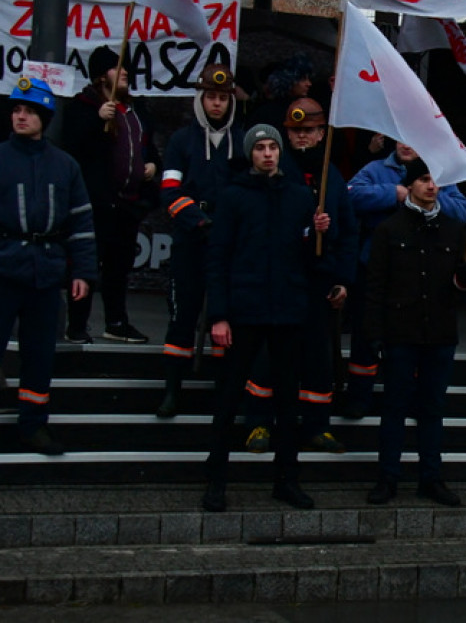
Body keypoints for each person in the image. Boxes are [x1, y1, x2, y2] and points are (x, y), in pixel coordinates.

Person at [201, 124, 332, 512]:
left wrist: (316, 235)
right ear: (251, 154)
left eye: (273, 146)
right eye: (260, 147)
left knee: (288, 403)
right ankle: (216, 480)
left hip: (289, 313)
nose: (268, 153)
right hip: (244, 313)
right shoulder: (234, 197)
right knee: (228, 400)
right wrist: (219, 316)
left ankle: (286, 480)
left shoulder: (298, 196)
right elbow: (218, 258)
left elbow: (309, 260)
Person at [243, 97, 358, 452]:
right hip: (280, 280)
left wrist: (342, 279)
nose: (302, 137)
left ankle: (317, 425)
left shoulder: (333, 177)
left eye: (309, 131)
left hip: (319, 282)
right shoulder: (276, 172)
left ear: (322, 134)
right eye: (295, 131)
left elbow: (349, 232)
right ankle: (259, 424)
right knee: (267, 355)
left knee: (318, 357)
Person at [365, 158, 466, 507]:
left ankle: (431, 476)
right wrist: (375, 334)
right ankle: (388, 476)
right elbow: (376, 286)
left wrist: (465, 279)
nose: (431, 186)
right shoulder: (389, 230)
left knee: (432, 408)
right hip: (401, 331)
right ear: (410, 184)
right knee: (395, 406)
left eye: (435, 180)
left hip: (439, 332)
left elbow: (458, 289)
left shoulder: (453, 229)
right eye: (424, 179)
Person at [0, 78, 97, 454]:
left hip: (46, 272)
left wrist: (84, 273)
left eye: (29, 111)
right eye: (17, 110)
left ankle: (33, 426)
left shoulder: (65, 165)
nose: (21, 116)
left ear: (44, 117)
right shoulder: (2, 157)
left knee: (40, 354)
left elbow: (81, 224)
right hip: (5, 268)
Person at [344, 141, 466, 418]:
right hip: (376, 269)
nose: (406, 145)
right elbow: (348, 195)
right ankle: (359, 397)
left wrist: (424, 194)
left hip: (421, 273)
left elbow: (461, 211)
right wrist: (393, 193)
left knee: (414, 339)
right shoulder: (376, 170)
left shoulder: (438, 174)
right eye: (401, 138)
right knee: (366, 336)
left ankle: (413, 399)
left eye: (414, 139)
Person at [156, 64, 246, 418]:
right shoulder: (181, 141)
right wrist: (198, 220)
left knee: (224, 319)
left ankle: (222, 393)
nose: (217, 104)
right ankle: (171, 391)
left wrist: (229, 225)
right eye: (211, 96)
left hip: (229, 244)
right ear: (201, 98)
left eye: (223, 98)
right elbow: (169, 190)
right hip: (191, 241)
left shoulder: (243, 140)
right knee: (183, 314)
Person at [62, 45, 160, 344]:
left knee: (119, 268)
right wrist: (96, 119)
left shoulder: (135, 110)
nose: (125, 73)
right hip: (96, 204)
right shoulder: (83, 106)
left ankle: (117, 322)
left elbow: (147, 146)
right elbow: (72, 148)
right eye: (117, 68)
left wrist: (154, 164)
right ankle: (77, 325)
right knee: (87, 266)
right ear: (100, 76)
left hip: (127, 205)